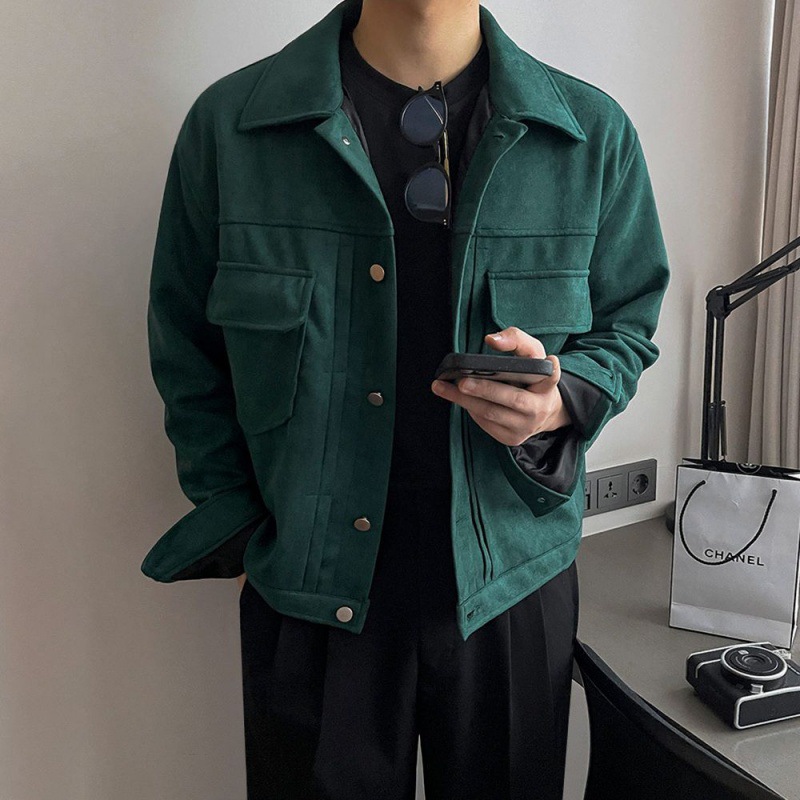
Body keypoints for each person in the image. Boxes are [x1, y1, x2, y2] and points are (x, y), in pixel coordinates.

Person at [140, 0, 670, 797]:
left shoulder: (589, 135)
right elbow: (186, 352)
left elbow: (627, 323)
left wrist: (560, 400)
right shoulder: (233, 130)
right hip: (310, 590)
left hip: (511, 583)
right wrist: (243, 528)